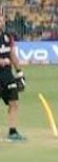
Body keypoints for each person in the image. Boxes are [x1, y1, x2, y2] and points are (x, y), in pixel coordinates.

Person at [0, 13, 26, 141]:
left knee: (13, 101)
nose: (1, 20)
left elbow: (12, 55)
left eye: (2, 17)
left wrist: (19, 72)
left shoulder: (7, 36)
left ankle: (13, 131)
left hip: (7, 75)